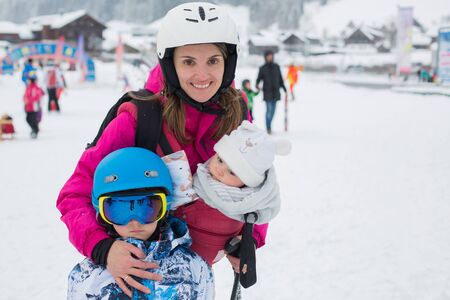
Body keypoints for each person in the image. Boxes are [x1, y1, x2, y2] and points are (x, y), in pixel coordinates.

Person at [57, 2, 269, 297]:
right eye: (188, 62)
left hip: (194, 278)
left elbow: (259, 184)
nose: (202, 75)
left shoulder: (237, 113)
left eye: (213, 60)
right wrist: (103, 248)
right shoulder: (140, 117)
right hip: (138, 274)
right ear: (170, 64)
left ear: (228, 62)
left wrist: (249, 239)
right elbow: (74, 195)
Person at [68, 147, 214, 299]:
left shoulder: (194, 267)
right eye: (120, 211)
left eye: (147, 208)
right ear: (101, 211)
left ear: (165, 207)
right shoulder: (87, 276)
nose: (134, 222)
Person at [256, 50, 287, 134]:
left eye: (271, 56)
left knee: (273, 111)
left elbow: (280, 79)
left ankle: (269, 125)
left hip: (276, 92)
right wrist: (257, 85)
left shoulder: (277, 66)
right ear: (265, 57)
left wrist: (284, 88)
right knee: (269, 111)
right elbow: (258, 79)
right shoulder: (262, 68)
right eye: (268, 56)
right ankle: (268, 127)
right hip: (267, 92)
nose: (270, 57)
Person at [23, 71, 44, 139]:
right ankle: (34, 129)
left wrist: (29, 101)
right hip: (28, 106)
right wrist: (25, 100)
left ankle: (35, 131)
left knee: (33, 119)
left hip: (34, 107)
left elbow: (37, 97)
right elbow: (25, 95)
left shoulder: (36, 88)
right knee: (28, 119)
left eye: (29, 80)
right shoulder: (28, 87)